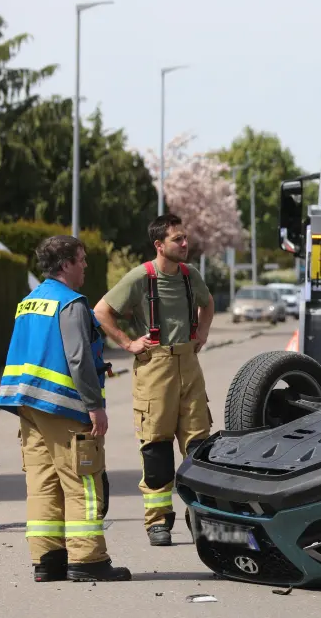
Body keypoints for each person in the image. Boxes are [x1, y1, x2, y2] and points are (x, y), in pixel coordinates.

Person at [0, 235, 131, 582]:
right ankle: (88, 560)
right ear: (66, 264)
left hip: (28, 404)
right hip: (64, 405)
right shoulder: (71, 303)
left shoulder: (28, 302)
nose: (85, 265)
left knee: (42, 483)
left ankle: (48, 560)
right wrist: (95, 405)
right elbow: (78, 358)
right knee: (83, 480)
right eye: (81, 260)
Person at [94, 214, 214, 547]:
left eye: (186, 237)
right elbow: (101, 311)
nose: (185, 244)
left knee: (199, 448)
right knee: (157, 449)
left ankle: (201, 517)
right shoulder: (140, 278)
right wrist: (128, 343)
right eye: (178, 239)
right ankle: (158, 522)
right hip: (155, 367)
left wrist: (202, 333)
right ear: (159, 245)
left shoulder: (191, 276)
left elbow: (208, 304)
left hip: (189, 365)